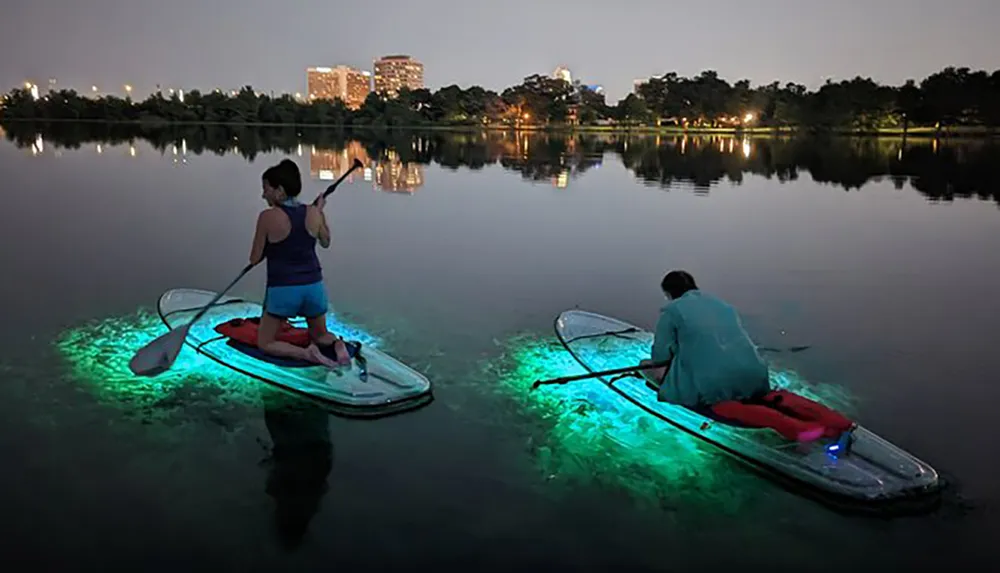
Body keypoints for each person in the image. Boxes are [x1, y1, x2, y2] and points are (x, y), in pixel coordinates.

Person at [640, 270, 853, 442]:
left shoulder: (672, 310)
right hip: (754, 373)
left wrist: (667, 362)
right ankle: (838, 421)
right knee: (770, 397)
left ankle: (804, 431)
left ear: (669, 294)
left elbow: (660, 354)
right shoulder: (722, 305)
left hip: (715, 385)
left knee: (647, 367)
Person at [249, 159, 351, 368]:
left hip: (284, 289)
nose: (263, 195)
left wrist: (272, 245)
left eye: (266, 189)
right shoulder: (313, 212)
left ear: (279, 190)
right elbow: (326, 242)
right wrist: (320, 212)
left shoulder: (267, 217)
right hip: (314, 287)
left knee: (266, 342)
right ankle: (337, 344)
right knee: (320, 334)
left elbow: (255, 259)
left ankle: (306, 354)